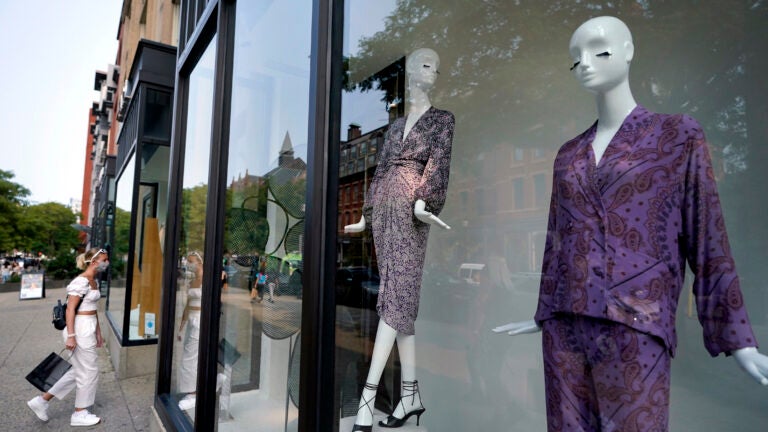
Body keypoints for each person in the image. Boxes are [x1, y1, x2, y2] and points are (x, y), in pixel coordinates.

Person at [493, 16, 768, 431]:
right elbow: (556, 240)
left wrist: (738, 338)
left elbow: (708, 237)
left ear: (628, 50)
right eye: (575, 58)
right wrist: (542, 313)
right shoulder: (569, 153)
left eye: (599, 50)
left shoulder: (676, 135)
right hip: (564, 327)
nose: (585, 63)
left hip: (637, 326)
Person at [344, 47, 454, 431]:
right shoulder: (393, 128)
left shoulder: (442, 121)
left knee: (395, 298)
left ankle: (367, 397)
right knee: (400, 301)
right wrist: (363, 215)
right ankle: (410, 396)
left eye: (435, 68)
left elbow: (439, 163)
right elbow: (378, 174)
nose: (431, 72)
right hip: (384, 217)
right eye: (425, 65)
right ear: (409, 72)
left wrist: (425, 200)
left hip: (411, 213)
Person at [27, 247, 109, 427]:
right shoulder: (80, 282)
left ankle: (41, 401)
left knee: (77, 371)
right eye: (104, 259)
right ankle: (80, 413)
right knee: (89, 371)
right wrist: (71, 336)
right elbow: (71, 309)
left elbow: (92, 308)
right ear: (94, 261)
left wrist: (98, 333)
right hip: (79, 328)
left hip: (88, 326)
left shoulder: (93, 280)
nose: (107, 262)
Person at [177, 251, 204, 411]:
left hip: (201, 320)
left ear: (200, 262)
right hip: (192, 319)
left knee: (190, 357)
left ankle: (193, 393)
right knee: (191, 356)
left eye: (191, 261)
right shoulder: (193, 280)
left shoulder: (208, 279)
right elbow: (187, 304)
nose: (189, 264)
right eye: (188, 261)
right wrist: (181, 326)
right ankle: (201, 386)